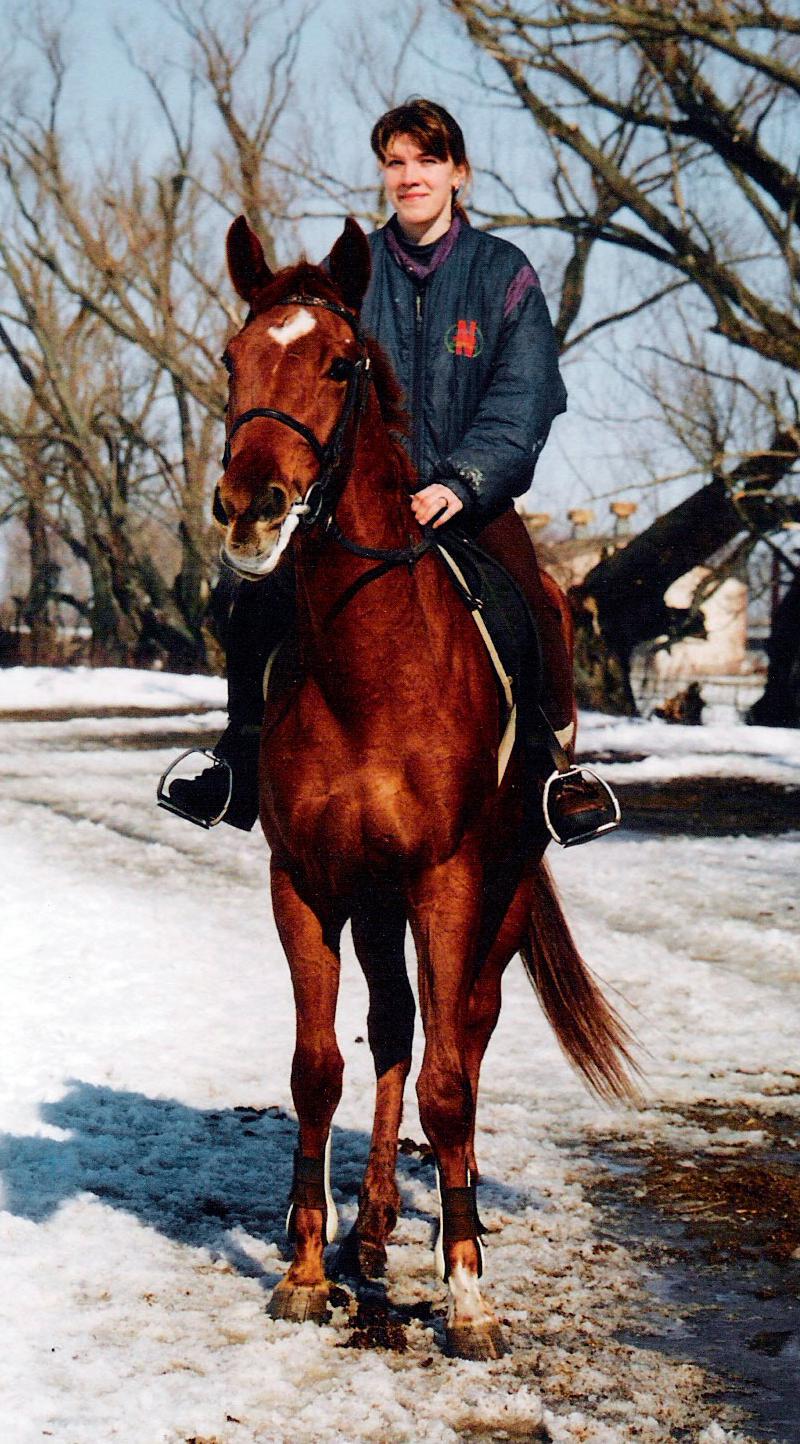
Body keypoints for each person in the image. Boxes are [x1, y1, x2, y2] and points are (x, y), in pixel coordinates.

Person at [163, 99, 619, 844]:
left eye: (427, 161)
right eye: (396, 162)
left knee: (534, 601)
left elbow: (527, 394)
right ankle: (238, 759)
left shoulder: (502, 272)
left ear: (459, 174)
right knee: (249, 600)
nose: (411, 177)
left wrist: (463, 481)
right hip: (356, 506)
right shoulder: (349, 279)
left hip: (470, 501)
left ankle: (553, 775)